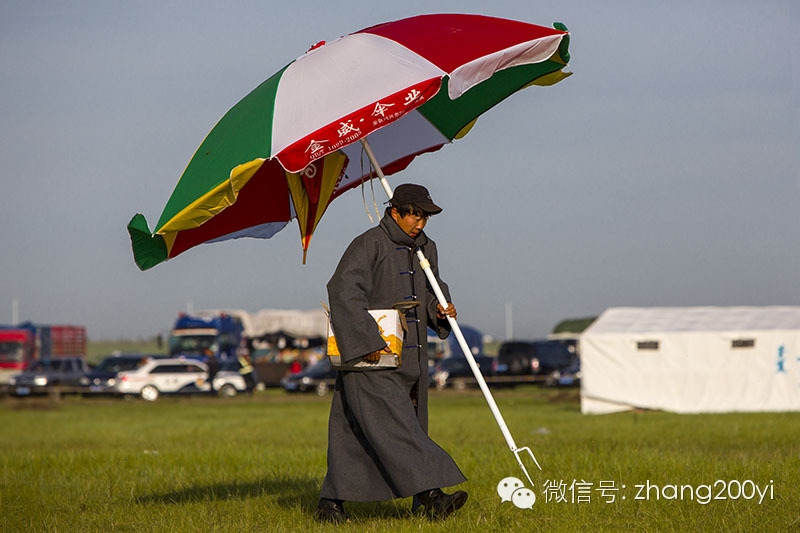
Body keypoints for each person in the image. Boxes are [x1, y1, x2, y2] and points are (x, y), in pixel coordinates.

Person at [317, 183, 468, 523]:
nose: (420, 223)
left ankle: (330, 505)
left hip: (411, 360)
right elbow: (342, 291)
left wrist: (438, 309)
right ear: (395, 212)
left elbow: (430, 293)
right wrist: (367, 341)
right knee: (399, 430)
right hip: (370, 358)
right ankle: (431, 497)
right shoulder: (368, 243)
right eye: (414, 215)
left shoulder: (426, 248)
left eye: (425, 217)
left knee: (358, 432)